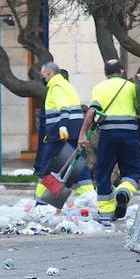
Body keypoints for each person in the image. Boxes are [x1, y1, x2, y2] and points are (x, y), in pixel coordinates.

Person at [79, 59, 140, 222]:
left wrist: (82, 134)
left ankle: (106, 212)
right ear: (121, 71)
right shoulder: (131, 87)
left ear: (105, 73)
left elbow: (92, 112)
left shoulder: (99, 88)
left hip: (108, 135)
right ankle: (124, 191)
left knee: (103, 172)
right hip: (130, 135)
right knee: (133, 170)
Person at [33, 61, 94, 204]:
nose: (44, 78)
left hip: (59, 133)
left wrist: (62, 127)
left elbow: (63, 108)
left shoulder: (56, 87)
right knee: (77, 164)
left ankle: (42, 202)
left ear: (50, 73)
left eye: (44, 75)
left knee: (48, 166)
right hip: (74, 132)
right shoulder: (67, 85)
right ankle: (90, 199)